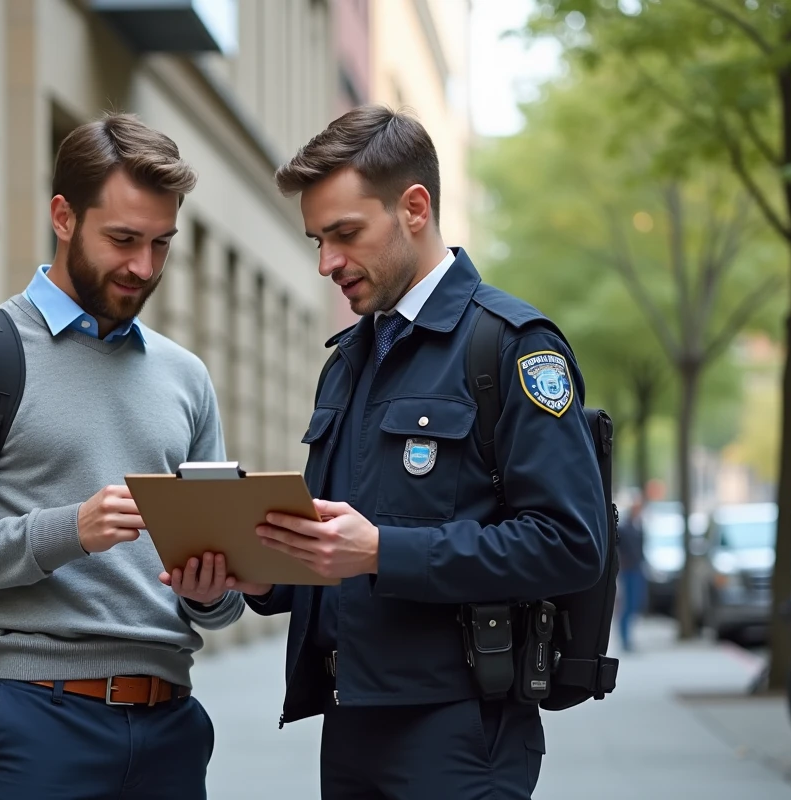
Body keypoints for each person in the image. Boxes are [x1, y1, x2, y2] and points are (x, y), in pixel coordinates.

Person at [238, 105, 609, 799]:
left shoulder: (511, 347)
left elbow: (570, 544)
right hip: (349, 723)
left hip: (461, 733)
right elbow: (336, 550)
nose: (327, 264)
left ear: (414, 207)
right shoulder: (349, 359)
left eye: (344, 234)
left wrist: (384, 551)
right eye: (317, 240)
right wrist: (257, 578)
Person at [0, 112, 246, 799]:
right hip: (34, 723)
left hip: (173, 730)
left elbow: (220, 604)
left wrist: (214, 591)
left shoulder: (185, 376)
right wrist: (68, 530)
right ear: (63, 216)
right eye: (124, 239)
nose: (144, 266)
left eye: (162, 243)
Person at [616, 499, 647, 652]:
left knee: (635, 603)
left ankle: (628, 637)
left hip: (638, 568)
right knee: (627, 605)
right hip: (628, 570)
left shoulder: (639, 526)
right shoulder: (624, 527)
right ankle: (624, 638)